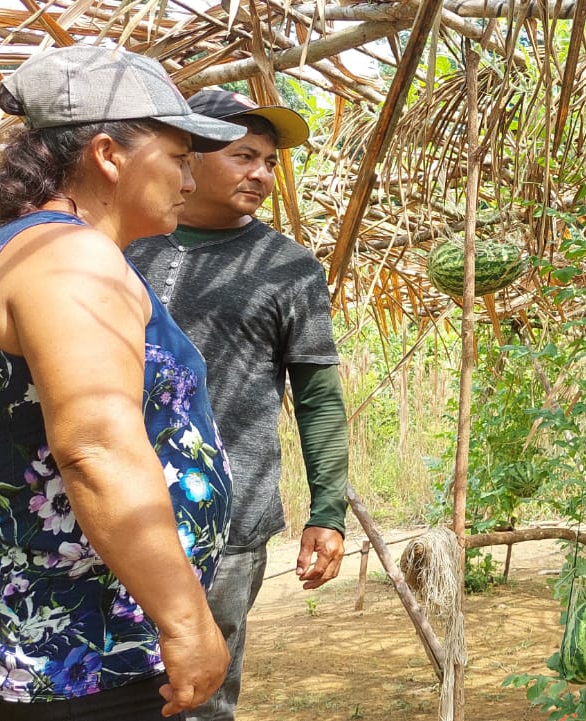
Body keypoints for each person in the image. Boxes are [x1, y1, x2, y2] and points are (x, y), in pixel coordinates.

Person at [0, 46, 245, 720]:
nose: (189, 177)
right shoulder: (71, 259)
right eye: (177, 156)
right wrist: (186, 620)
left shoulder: (39, 249)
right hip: (84, 654)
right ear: (110, 154)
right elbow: (97, 449)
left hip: (63, 637)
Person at [123, 88, 348, 721]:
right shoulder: (122, 244)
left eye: (271, 162)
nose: (262, 174)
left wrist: (327, 510)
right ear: (188, 157)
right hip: (113, 511)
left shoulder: (288, 268)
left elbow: (318, 396)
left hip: (227, 524)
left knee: (199, 696)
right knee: (110, 690)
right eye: (245, 155)